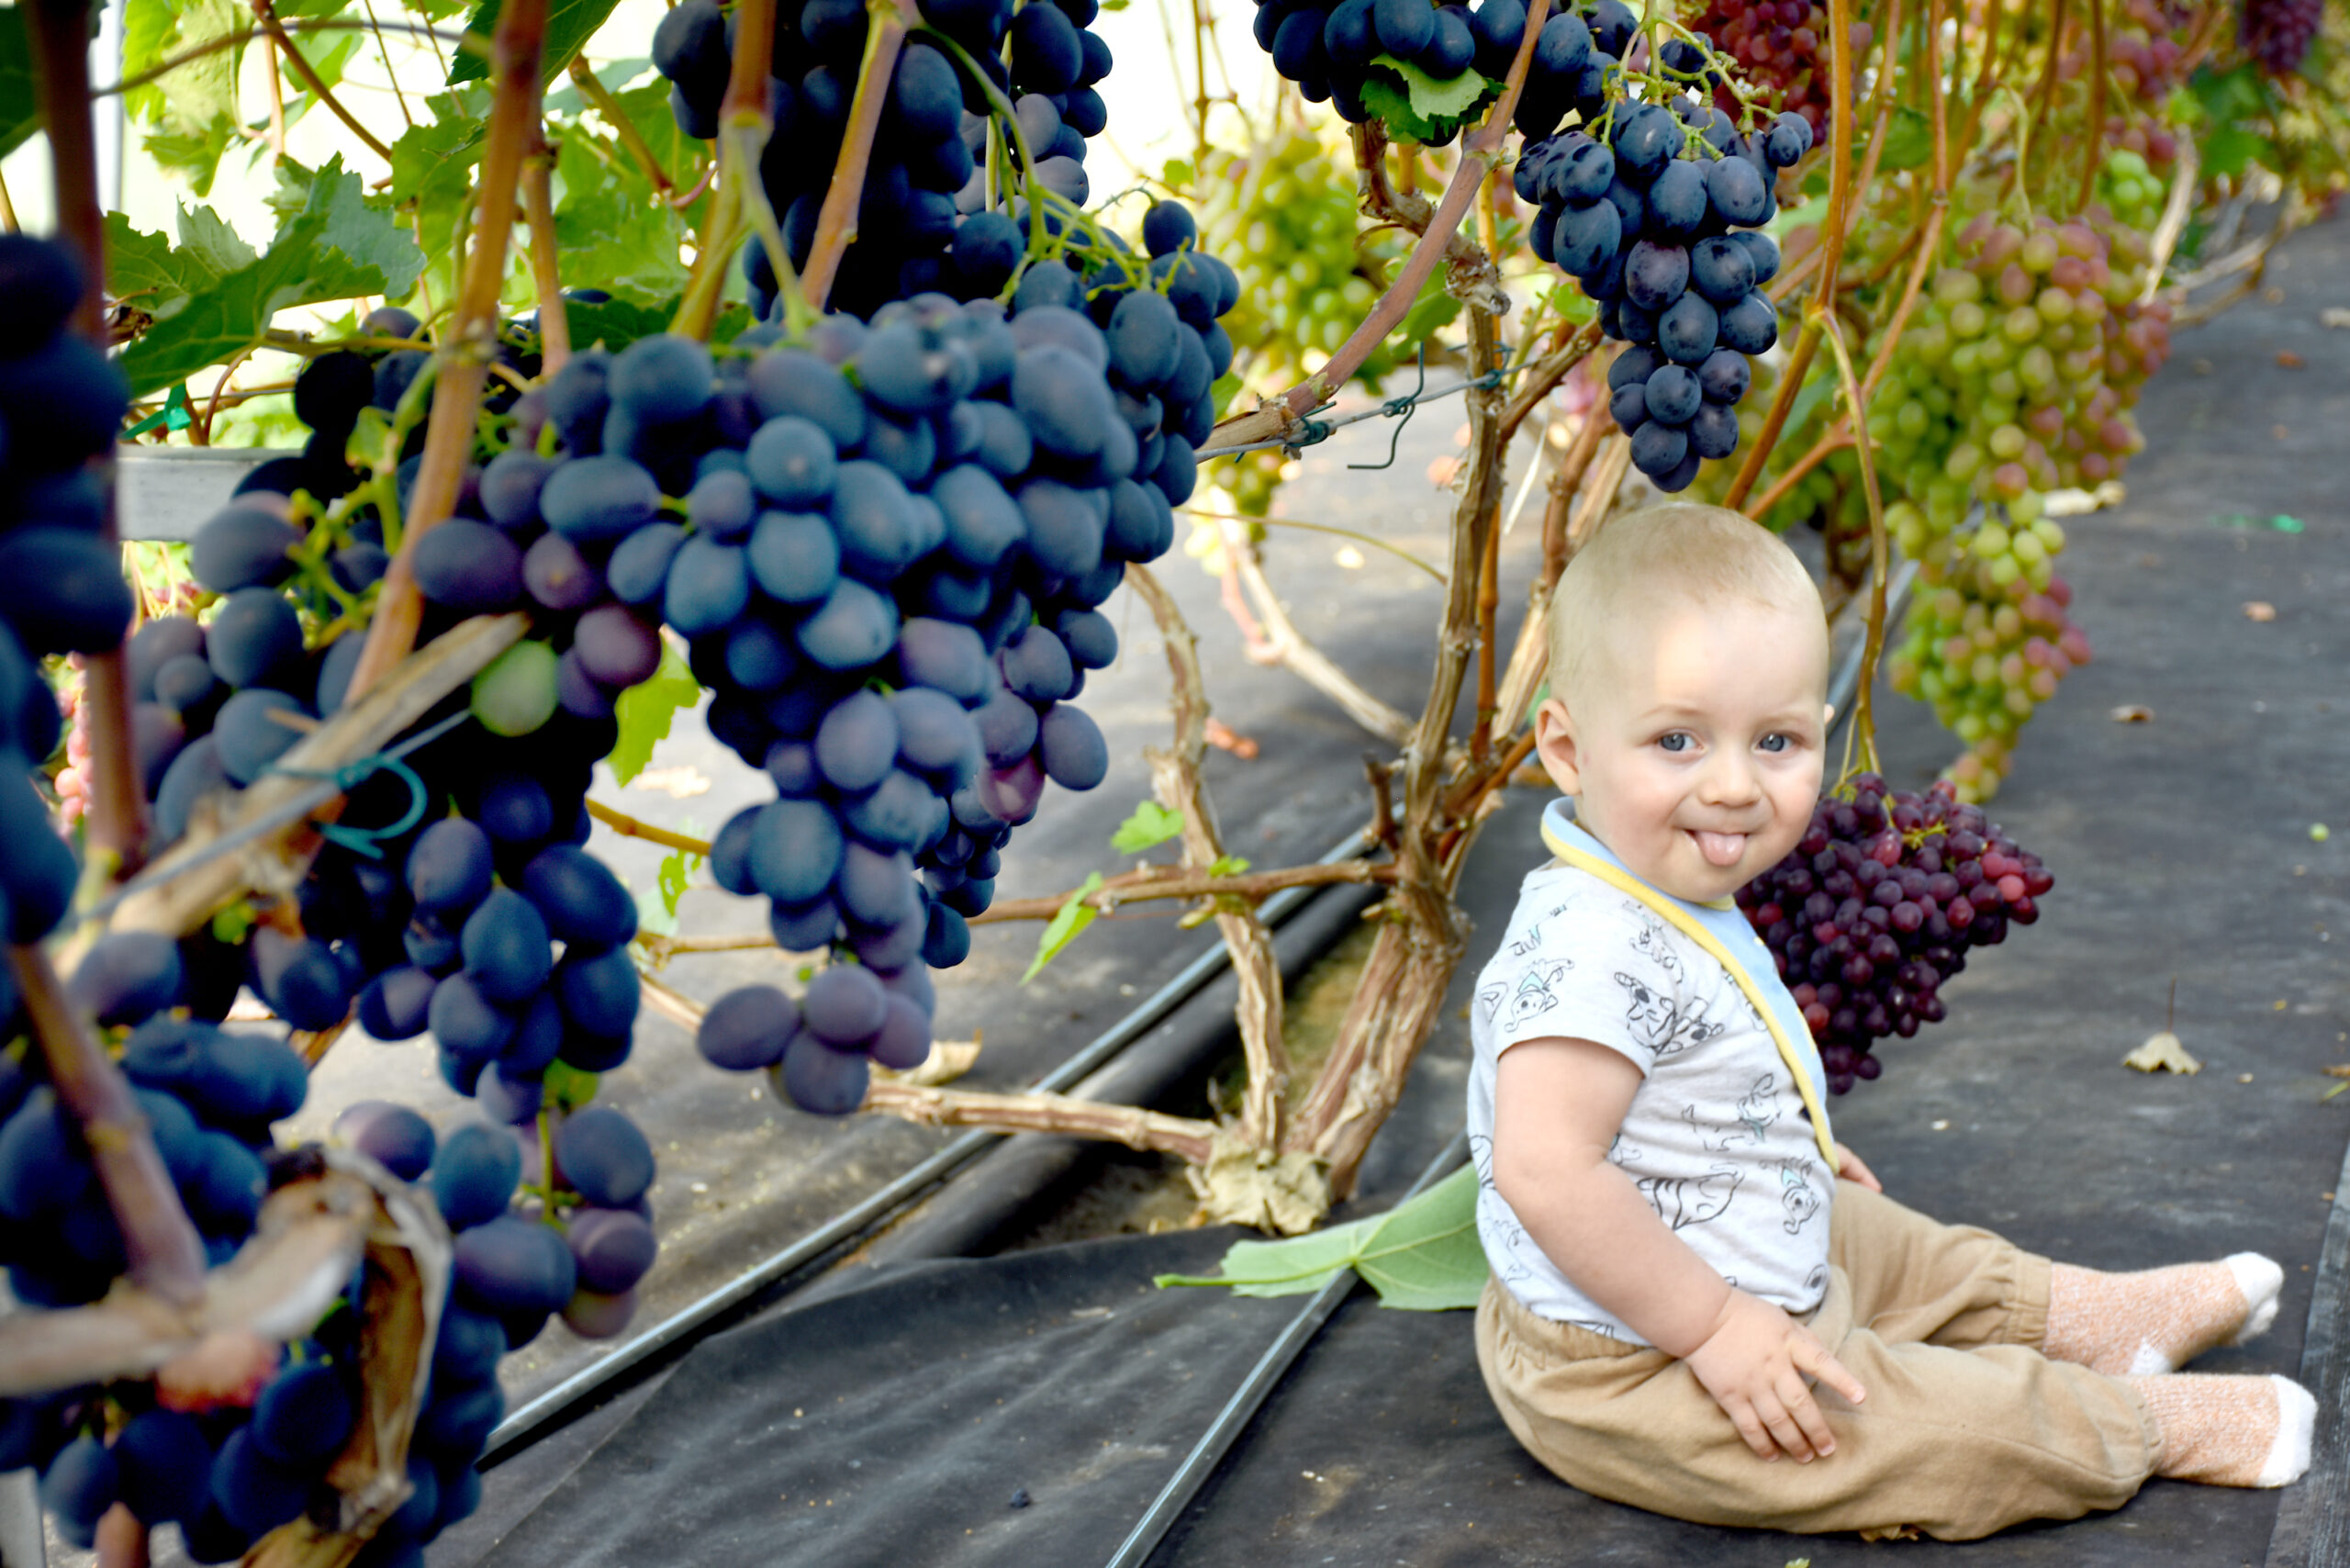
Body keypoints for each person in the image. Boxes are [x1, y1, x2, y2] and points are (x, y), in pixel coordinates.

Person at [1465, 500, 2312, 1540]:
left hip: (1724, 1252)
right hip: (1637, 1358)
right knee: (1901, 1433)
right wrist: (1719, 1328)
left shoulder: (1660, 884)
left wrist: (1783, 1145)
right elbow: (1547, 1170)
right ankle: (2130, 1421)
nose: (1732, 785)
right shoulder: (1586, 946)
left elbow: (1691, 1073)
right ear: (1566, 746)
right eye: (1676, 739)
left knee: (1891, 1244)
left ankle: (2092, 1319)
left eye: (1773, 740)